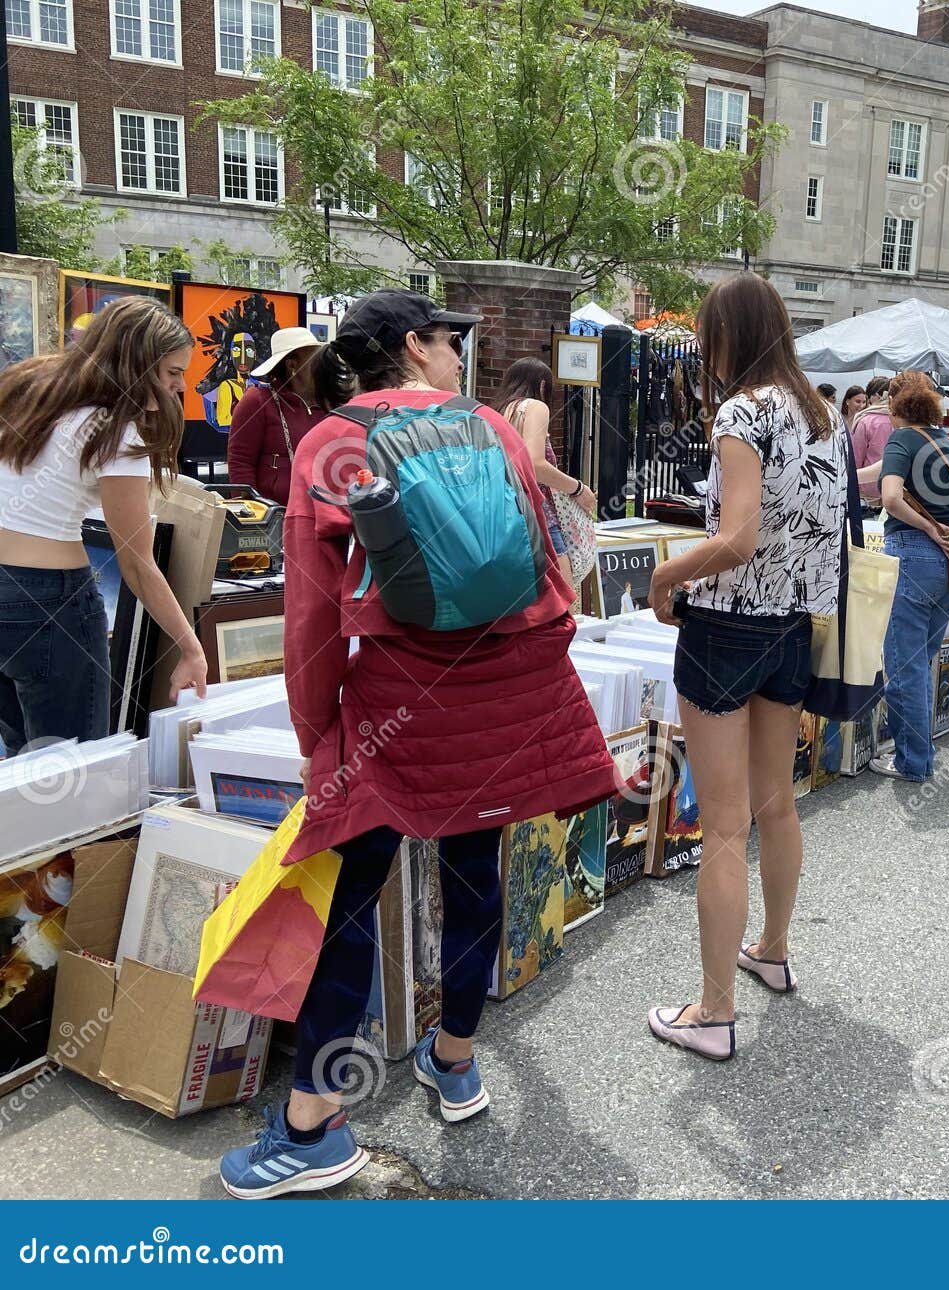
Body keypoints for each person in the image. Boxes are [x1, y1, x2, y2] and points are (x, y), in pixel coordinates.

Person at [219, 288, 616, 1197]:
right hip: (501, 698)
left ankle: (314, 1124)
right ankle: (455, 1059)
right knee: (476, 875)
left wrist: (320, 729)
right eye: (449, 340)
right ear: (413, 346)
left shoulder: (331, 442)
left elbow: (312, 615)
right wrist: (529, 678)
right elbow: (551, 570)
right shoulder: (491, 430)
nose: (458, 356)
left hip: (397, 707)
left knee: (351, 899)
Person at [644, 272, 848, 1060]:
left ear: (725, 334)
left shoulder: (741, 411)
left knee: (724, 827)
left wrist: (665, 577)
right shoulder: (820, 410)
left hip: (727, 626)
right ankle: (770, 950)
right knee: (778, 807)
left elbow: (737, 539)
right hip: (794, 627)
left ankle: (715, 1012)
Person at [0, 297, 208, 751]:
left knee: (20, 767)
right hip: (49, 601)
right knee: (74, 765)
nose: (179, 387)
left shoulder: (30, 388)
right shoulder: (116, 431)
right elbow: (137, 564)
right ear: (138, 363)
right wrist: (191, 647)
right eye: (173, 373)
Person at [871, 372, 949, 780]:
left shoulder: (902, 439)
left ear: (893, 405)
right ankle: (916, 753)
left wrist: (925, 526)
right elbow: (879, 475)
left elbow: (890, 497)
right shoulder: (945, 442)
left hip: (913, 557)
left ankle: (913, 762)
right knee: (921, 663)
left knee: (905, 668)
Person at [499, 356, 598, 591]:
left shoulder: (498, 411)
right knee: (563, 595)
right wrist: (578, 488)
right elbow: (535, 464)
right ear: (542, 385)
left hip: (505, 516)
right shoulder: (534, 407)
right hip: (539, 514)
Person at [226, 327, 347, 506]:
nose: (322, 365)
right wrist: (250, 510)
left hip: (324, 508)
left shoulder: (331, 402)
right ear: (292, 365)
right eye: (315, 359)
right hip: (274, 513)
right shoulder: (258, 401)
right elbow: (240, 461)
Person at [851, 375, 893, 506]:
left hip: (868, 489)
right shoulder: (901, 419)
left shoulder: (865, 421)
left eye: (869, 397)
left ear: (876, 395)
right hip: (896, 488)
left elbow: (855, 458)